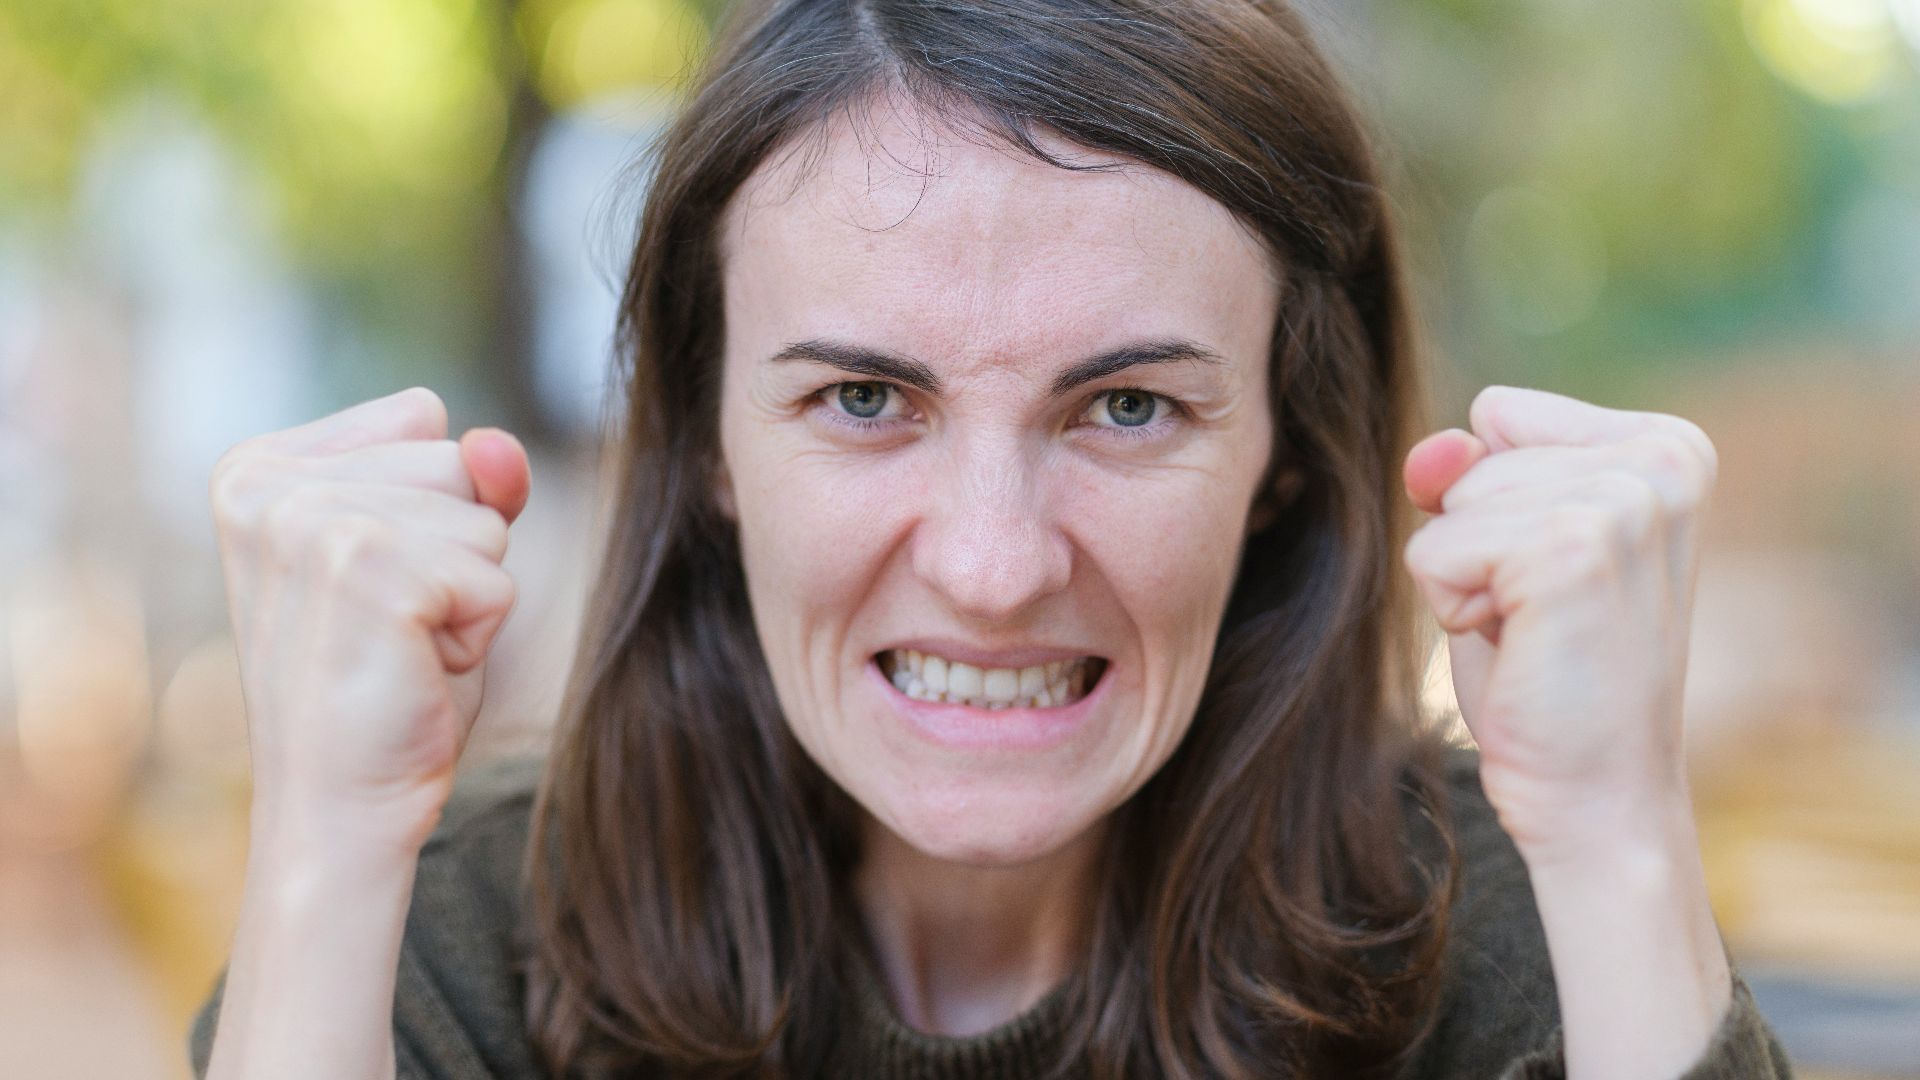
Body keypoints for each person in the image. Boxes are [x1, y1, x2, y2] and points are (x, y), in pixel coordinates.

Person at [188, 1, 1796, 1077]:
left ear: (1292, 455)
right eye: (869, 397)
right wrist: (327, 848)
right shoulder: (457, 933)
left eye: (1128, 411)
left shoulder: (1495, 936)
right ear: (710, 440)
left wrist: (1616, 841)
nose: (993, 564)